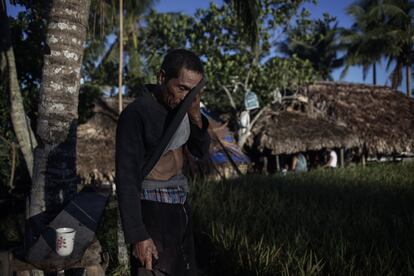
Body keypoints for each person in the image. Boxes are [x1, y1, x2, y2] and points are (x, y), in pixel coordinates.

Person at [115, 49, 210, 276]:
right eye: (181, 88)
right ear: (162, 78)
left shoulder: (185, 110)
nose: (185, 97)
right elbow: (126, 177)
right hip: (153, 209)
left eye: (192, 91)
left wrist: (196, 115)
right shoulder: (137, 114)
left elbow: (200, 150)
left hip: (179, 203)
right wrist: (138, 235)